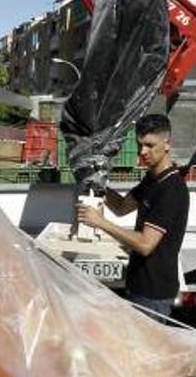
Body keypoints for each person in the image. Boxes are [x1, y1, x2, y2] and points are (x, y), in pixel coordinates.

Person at [75, 113, 189, 320]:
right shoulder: (152, 180)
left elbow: (146, 244)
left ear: (167, 144)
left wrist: (100, 222)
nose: (142, 151)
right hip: (138, 285)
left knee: (147, 351)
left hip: (154, 294)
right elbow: (121, 207)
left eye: (149, 145)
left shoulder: (171, 189)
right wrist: (97, 183)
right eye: (139, 145)